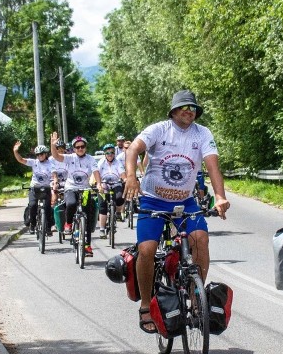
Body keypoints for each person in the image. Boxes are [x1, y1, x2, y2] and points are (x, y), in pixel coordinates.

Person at [123, 89, 230, 334]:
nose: (189, 111)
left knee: (201, 239)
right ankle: (145, 305)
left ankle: (196, 298)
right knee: (146, 250)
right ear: (173, 111)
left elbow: (213, 166)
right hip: (153, 201)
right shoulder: (159, 130)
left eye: (193, 108)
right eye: (184, 107)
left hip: (186, 201)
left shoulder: (203, 134)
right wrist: (131, 176)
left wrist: (221, 196)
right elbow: (133, 150)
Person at [50, 133, 101, 257]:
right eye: (77, 147)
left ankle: (88, 246)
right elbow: (56, 156)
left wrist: (99, 184)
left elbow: (95, 171)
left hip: (85, 190)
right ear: (73, 149)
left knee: (87, 218)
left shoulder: (90, 159)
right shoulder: (70, 158)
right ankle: (68, 223)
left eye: (82, 146)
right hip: (71, 188)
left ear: (85, 147)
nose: (80, 149)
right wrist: (52, 145)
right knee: (71, 203)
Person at [13, 141, 54, 235]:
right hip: (34, 188)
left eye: (42, 154)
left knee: (48, 207)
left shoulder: (50, 163)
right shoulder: (34, 162)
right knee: (32, 205)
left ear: (46, 154)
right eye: (38, 154)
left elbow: (54, 174)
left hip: (46, 188)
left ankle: (48, 227)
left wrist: (55, 182)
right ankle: (33, 224)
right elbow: (21, 160)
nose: (40, 156)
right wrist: (15, 151)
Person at [97, 143, 125, 239]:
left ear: (114, 153)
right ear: (105, 154)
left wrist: (124, 179)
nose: (110, 155)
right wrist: (98, 184)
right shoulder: (101, 162)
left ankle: (117, 213)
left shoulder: (118, 162)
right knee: (103, 206)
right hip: (104, 184)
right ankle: (102, 228)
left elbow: (122, 173)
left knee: (120, 198)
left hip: (116, 183)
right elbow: (97, 174)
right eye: (108, 153)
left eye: (112, 153)